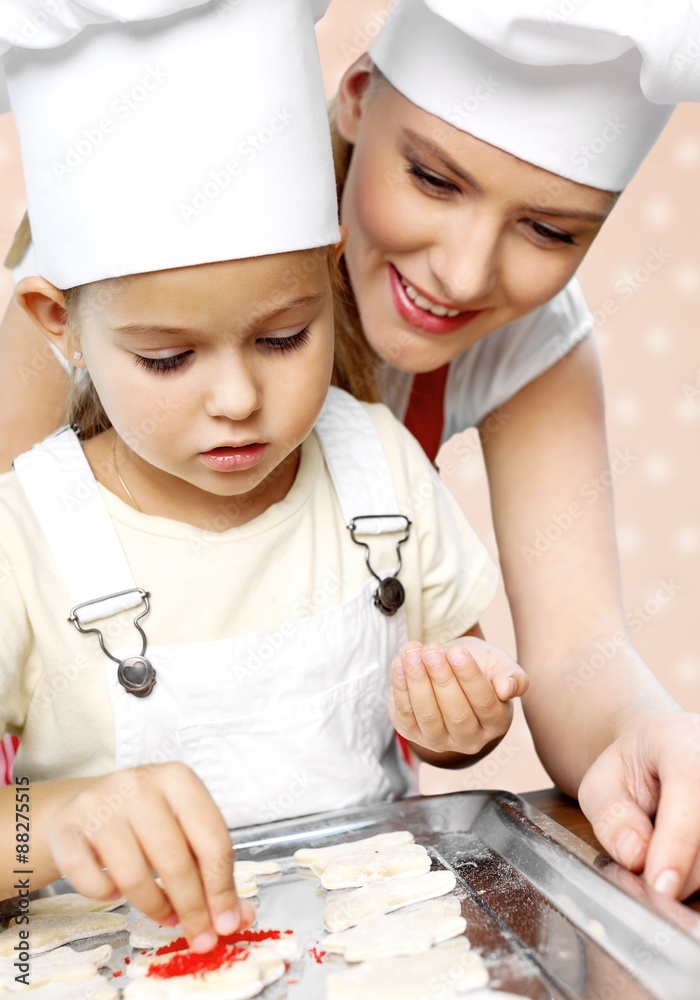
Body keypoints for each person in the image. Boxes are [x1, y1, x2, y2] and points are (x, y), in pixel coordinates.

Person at [0, 0, 526, 952]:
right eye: (168, 359)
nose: (239, 398)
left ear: (330, 280)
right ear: (57, 323)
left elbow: (466, 689)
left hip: (372, 951)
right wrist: (55, 821)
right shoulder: (26, 532)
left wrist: (465, 719)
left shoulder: (376, 467)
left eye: (284, 337)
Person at [326, 0, 700, 901]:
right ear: (356, 95)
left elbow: (577, 654)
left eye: (549, 230)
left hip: (336, 862)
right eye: (432, 179)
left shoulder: (532, 343)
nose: (461, 274)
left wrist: (649, 735)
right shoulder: (134, 262)